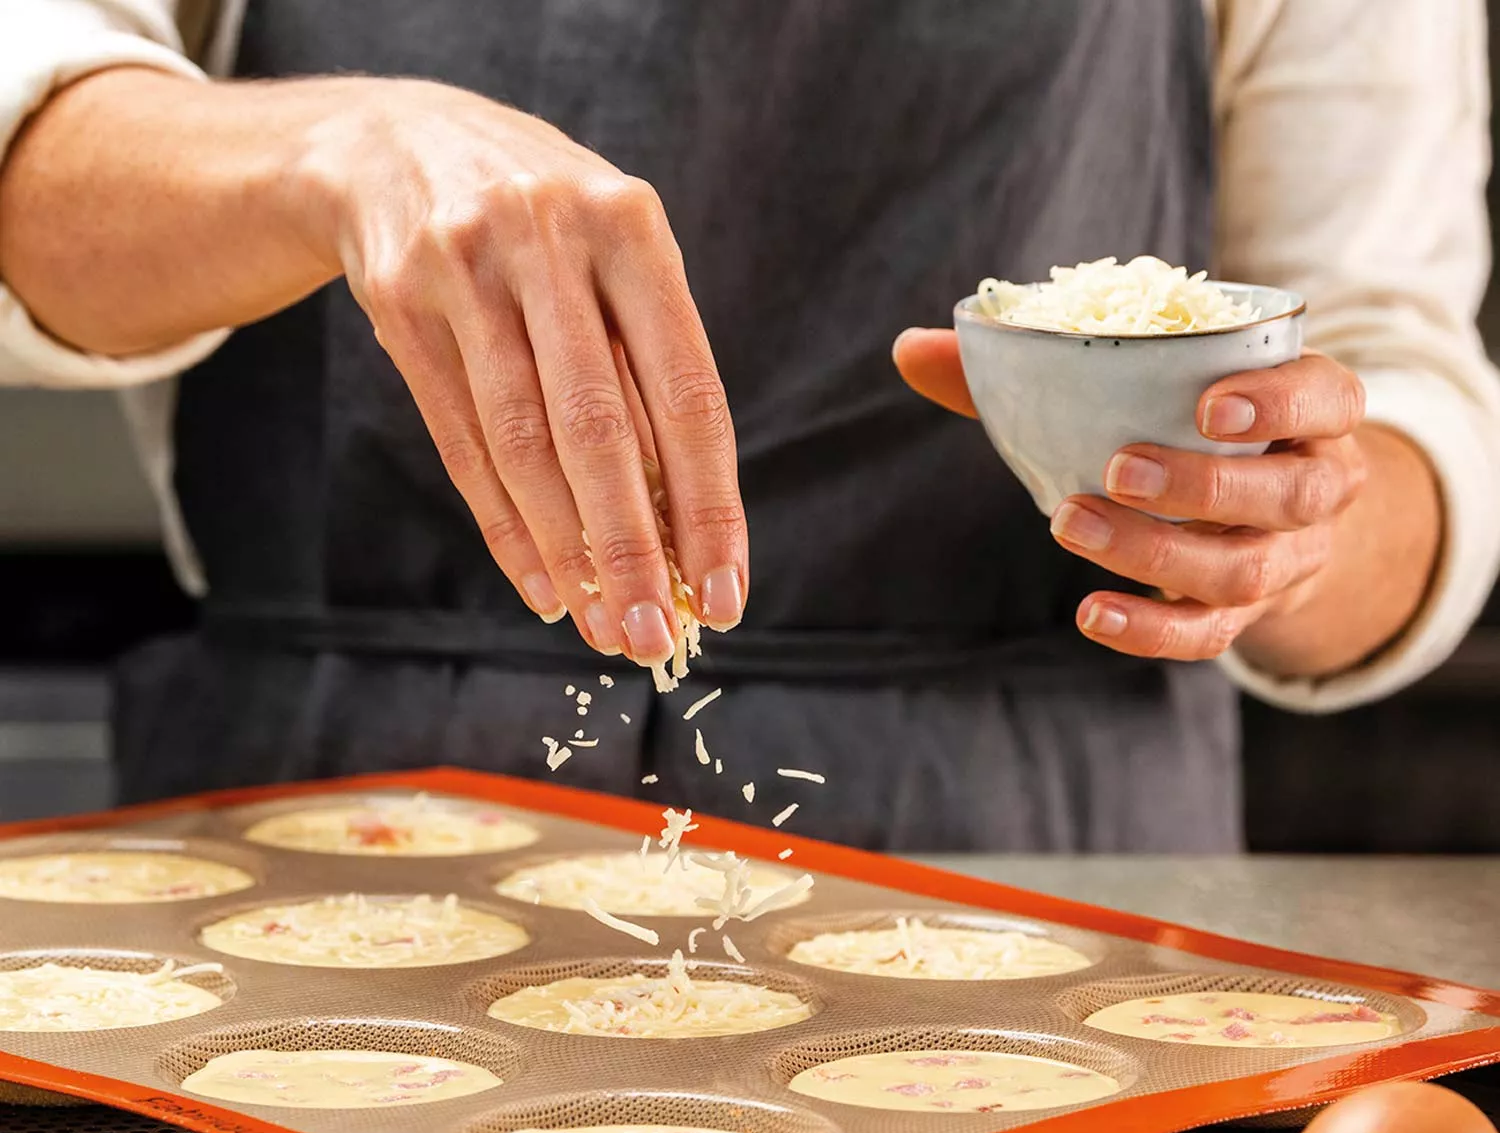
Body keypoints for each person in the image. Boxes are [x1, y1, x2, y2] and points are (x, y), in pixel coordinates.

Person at [1, 1, 1497, 853]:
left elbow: (1399, 385)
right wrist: (332, 148)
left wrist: (1292, 530)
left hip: (1038, 832)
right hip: (335, 818)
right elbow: (34, 161)